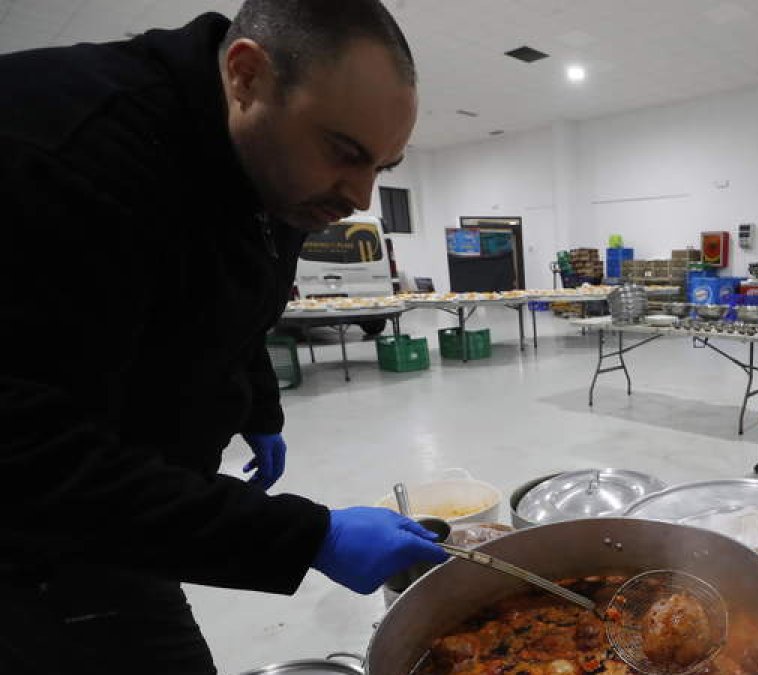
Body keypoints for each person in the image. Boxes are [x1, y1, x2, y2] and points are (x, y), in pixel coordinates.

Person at [0, 1, 446, 673]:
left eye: (384, 166)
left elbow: (235, 298)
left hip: (139, 510)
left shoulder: (274, 166)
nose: (360, 196)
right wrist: (309, 537)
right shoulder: (59, 154)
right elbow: (30, 460)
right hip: (37, 548)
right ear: (247, 76)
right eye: (346, 154)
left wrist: (254, 406)